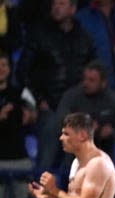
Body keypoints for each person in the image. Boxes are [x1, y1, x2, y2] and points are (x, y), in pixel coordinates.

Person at [16, 0, 96, 169]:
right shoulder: (39, 34)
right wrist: (38, 101)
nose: (56, 7)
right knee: (45, 164)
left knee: (78, 166)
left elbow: (93, 71)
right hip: (49, 108)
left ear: (73, 8)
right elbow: (22, 72)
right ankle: (40, 195)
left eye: (62, 3)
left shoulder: (84, 37)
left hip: (77, 110)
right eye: (54, 4)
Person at [56, 60, 115, 162]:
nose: (86, 83)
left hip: (104, 155)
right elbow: (60, 121)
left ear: (103, 83)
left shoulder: (114, 100)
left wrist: (111, 133)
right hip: (74, 156)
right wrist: (84, 128)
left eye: (91, 80)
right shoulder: (72, 96)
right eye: (85, 79)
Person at [0, 50, 31, 198]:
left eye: (4, 65)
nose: (1, 69)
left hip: (19, 159)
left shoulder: (21, 92)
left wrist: (31, 115)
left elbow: (34, 114)